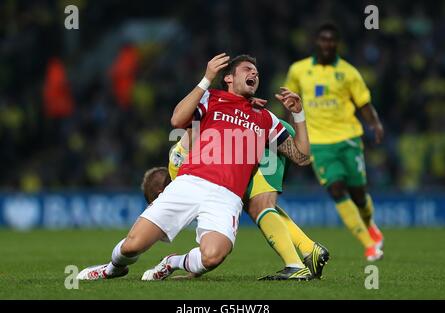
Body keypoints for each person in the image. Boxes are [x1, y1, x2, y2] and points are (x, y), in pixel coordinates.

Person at [77, 53, 312, 281]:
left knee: (212, 257)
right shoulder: (211, 99)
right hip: (190, 183)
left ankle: (172, 262)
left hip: (227, 196)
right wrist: (206, 78)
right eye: (247, 69)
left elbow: (301, 157)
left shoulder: (265, 117)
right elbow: (177, 120)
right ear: (228, 77)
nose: (254, 73)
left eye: (256, 72)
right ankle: (111, 269)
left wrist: (298, 114)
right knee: (132, 246)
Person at [164, 118, 330, 281]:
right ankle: (310, 249)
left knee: (259, 206)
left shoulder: (180, 173)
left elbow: (214, 236)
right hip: (264, 132)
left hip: (262, 136)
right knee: (257, 204)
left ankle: (295, 265)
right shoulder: (184, 172)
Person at [284, 23, 384, 261]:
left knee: (359, 194)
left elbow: (363, 104)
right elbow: (289, 102)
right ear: (316, 42)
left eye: (331, 40)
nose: (327, 44)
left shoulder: (349, 73)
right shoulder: (298, 70)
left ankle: (370, 225)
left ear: (337, 44)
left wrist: (376, 123)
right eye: (323, 39)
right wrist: (291, 132)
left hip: (348, 138)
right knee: (336, 188)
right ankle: (368, 244)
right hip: (318, 142)